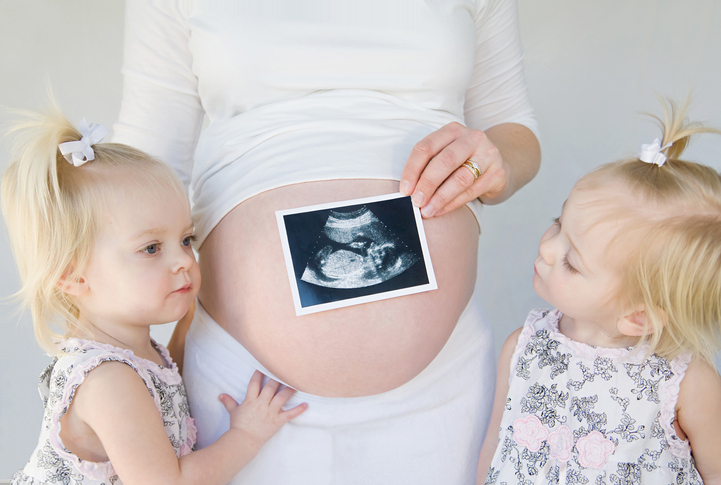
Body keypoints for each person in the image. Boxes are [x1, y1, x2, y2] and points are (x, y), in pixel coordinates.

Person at [113, 0, 541, 482]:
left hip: (444, 378)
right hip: (248, 391)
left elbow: (513, 126)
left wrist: (493, 159)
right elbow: (142, 164)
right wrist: (107, 350)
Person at [3, 107, 307, 485]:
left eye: (185, 239)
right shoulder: (108, 380)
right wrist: (247, 435)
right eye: (151, 248)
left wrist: (193, 318)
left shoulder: (130, 350)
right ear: (73, 276)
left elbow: (168, 376)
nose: (184, 260)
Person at [477, 100, 721, 484]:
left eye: (572, 261)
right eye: (557, 223)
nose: (546, 248)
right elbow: (496, 444)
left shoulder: (688, 384)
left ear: (638, 316)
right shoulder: (524, 347)